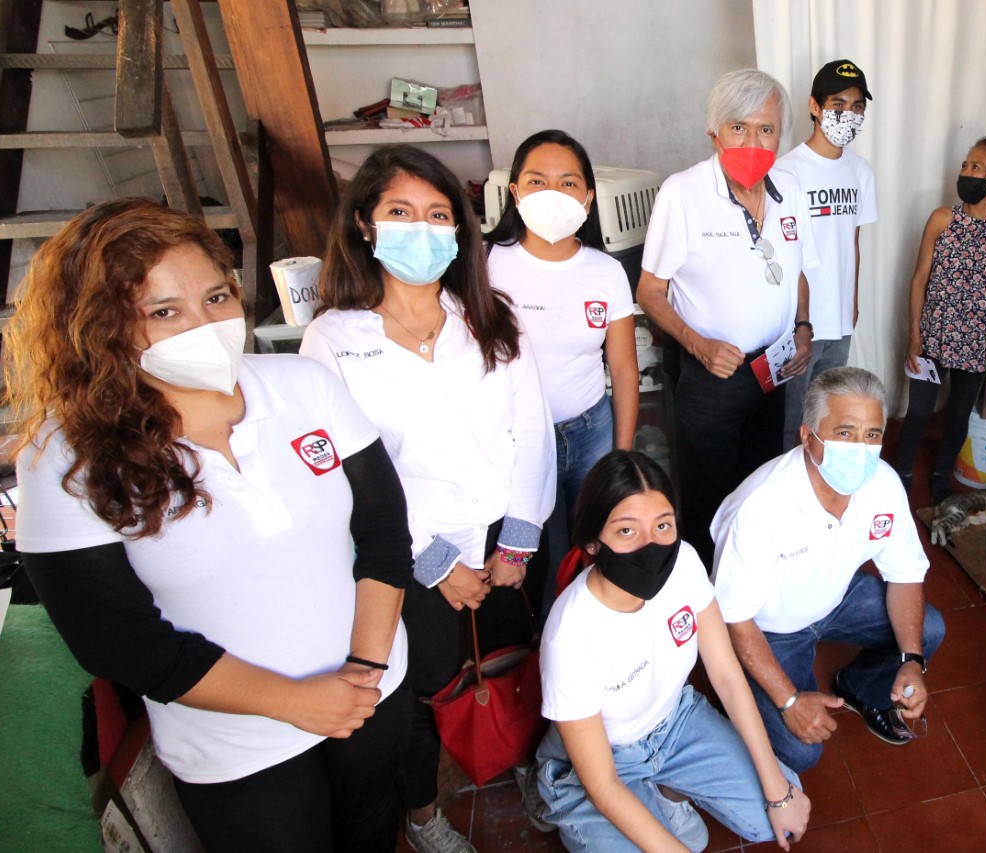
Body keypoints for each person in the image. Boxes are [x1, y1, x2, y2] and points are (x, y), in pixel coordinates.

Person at [6, 199, 412, 852]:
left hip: (373, 696)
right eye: (164, 311)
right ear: (103, 328)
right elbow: (117, 639)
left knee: (371, 830)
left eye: (217, 295)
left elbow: (385, 532)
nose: (206, 324)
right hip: (237, 750)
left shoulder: (302, 386)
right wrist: (296, 702)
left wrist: (364, 670)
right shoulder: (67, 458)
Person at [300, 144, 555, 853]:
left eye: (438, 215)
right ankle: (422, 814)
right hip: (407, 556)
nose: (422, 229)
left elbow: (532, 432)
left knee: (513, 659)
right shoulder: (334, 340)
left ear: (461, 230)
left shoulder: (490, 316)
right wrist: (439, 562)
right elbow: (355, 477)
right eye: (401, 213)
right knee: (418, 692)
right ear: (364, 225)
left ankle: (524, 763)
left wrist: (517, 541)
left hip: (503, 534)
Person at [536, 450, 811, 852]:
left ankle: (664, 790)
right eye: (627, 531)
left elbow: (727, 676)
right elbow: (604, 784)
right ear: (593, 543)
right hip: (602, 760)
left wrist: (777, 791)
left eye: (662, 525)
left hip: (675, 722)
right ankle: (575, 808)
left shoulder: (683, 561)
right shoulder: (570, 634)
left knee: (778, 807)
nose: (651, 546)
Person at [711, 368, 945, 770]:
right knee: (802, 751)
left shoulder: (884, 485)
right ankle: (735, 694)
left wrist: (911, 660)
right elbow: (734, 617)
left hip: (834, 596)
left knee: (927, 632)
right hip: (767, 627)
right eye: (845, 433)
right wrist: (788, 701)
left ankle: (860, 686)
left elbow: (905, 573)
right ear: (807, 436)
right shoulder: (764, 507)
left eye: (872, 435)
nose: (861, 448)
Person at [636, 68, 820, 567]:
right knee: (705, 494)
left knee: (758, 480)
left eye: (767, 129)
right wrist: (698, 345)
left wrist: (803, 328)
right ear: (714, 132)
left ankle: (748, 577)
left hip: (773, 370)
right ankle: (703, 595)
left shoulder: (792, 190)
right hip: (712, 374)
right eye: (739, 128)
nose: (754, 141)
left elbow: (799, 271)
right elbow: (650, 291)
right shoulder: (683, 194)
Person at [486, 128, 639, 600]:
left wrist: (622, 454)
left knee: (595, 538)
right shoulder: (486, 264)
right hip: (517, 439)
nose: (553, 194)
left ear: (589, 198)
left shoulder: (606, 271)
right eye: (537, 181)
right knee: (537, 550)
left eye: (568, 183)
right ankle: (545, 641)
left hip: (589, 428)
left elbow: (624, 369)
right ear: (514, 193)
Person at [894, 135, 986, 504]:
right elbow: (919, 280)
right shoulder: (943, 219)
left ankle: (942, 476)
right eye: (965, 165)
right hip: (933, 335)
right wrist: (915, 335)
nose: (965, 173)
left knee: (959, 413)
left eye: (976, 167)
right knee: (918, 412)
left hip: (979, 341)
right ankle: (901, 475)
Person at [776, 59, 878, 450]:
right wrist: (797, 320)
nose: (847, 115)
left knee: (829, 416)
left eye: (857, 106)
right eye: (838, 104)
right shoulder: (788, 171)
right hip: (800, 322)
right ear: (815, 107)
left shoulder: (860, 171)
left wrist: (852, 304)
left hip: (840, 320)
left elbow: (852, 240)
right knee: (790, 421)